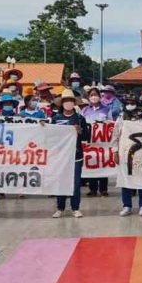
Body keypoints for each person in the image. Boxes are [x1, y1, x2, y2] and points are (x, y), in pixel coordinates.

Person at [51, 89, 90, 218]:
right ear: (62, 103)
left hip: (76, 156)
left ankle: (75, 208)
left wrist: (80, 132)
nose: (68, 103)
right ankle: (60, 208)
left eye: (71, 101)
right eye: (66, 101)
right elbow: (50, 137)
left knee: (76, 183)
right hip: (60, 156)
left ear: (74, 103)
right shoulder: (56, 118)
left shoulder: (79, 118)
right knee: (61, 181)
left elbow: (86, 137)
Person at [82, 86, 112, 197]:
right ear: (88, 97)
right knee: (91, 164)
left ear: (100, 97)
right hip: (90, 143)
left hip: (103, 142)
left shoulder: (106, 109)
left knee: (103, 164)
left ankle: (103, 189)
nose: (94, 97)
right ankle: (92, 189)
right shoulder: (85, 110)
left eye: (96, 95)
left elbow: (110, 124)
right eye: (91, 95)